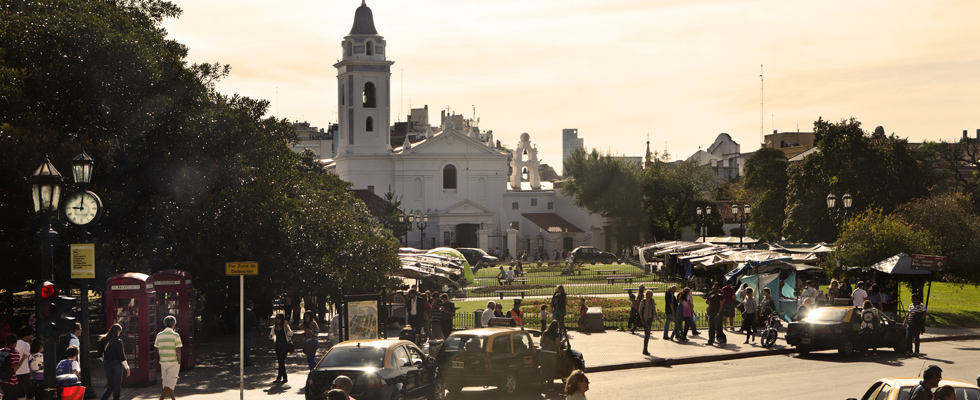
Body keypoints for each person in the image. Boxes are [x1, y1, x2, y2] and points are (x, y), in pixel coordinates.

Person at [97, 324, 130, 400]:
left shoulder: (103, 339)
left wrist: (105, 360)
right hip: (116, 364)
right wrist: (127, 367)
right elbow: (121, 356)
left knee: (110, 385)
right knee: (117, 386)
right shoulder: (118, 342)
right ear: (118, 331)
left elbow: (99, 354)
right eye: (119, 332)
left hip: (106, 364)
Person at [154, 315, 182, 400]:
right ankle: (161, 399)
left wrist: (161, 356)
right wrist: (179, 361)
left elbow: (157, 348)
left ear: (164, 324)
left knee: (167, 383)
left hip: (163, 361)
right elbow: (178, 350)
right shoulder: (176, 335)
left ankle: (173, 399)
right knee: (170, 383)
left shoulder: (159, 335)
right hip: (173, 362)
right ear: (174, 324)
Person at [539, 321, 564, 392]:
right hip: (552, 353)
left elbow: (541, 343)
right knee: (551, 370)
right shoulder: (556, 335)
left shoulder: (545, 333)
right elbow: (558, 345)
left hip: (544, 352)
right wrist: (565, 340)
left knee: (544, 368)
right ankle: (550, 387)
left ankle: (543, 382)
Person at [269, 314, 292, 385]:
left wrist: (287, 327)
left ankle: (279, 378)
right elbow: (271, 335)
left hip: (284, 345)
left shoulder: (285, 326)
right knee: (281, 361)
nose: (277, 320)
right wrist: (270, 336)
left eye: (279, 318)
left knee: (281, 360)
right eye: (276, 318)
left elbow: (291, 334)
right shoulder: (274, 327)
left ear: (282, 319)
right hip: (277, 346)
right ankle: (285, 377)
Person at [637, 290, 659, 355]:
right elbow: (640, 310)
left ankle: (645, 350)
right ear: (646, 295)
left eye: (651, 294)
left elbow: (654, 310)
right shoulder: (643, 301)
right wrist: (641, 319)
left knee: (648, 335)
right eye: (649, 294)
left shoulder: (652, 301)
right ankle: (645, 350)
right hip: (645, 319)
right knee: (647, 334)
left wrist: (658, 318)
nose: (650, 295)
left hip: (650, 319)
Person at [1, 333, 22, 400]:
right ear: (15, 342)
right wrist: (23, 358)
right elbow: (15, 368)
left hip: (1, 381)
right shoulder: (15, 352)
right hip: (11, 381)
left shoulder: (0, 351)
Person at [15, 327, 32, 400]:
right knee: (29, 393)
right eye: (31, 334)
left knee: (20, 394)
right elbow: (29, 357)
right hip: (24, 371)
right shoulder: (25, 344)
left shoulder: (14, 343)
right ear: (26, 335)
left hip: (15, 371)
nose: (32, 336)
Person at [242, 300, 260, 367]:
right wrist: (260, 331)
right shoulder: (252, 314)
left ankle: (247, 360)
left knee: (244, 346)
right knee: (248, 347)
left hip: (243, 331)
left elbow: (236, 321)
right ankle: (244, 361)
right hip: (249, 331)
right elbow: (255, 323)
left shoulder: (242, 313)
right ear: (251, 306)